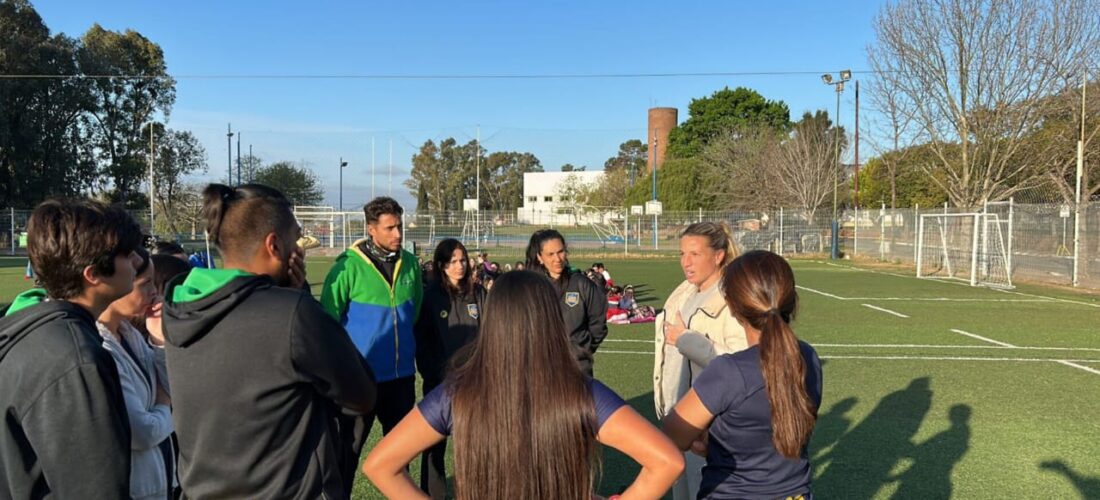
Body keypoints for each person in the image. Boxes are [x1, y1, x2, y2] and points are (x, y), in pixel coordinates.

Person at [363, 271, 684, 499]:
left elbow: (380, 466)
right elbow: (667, 461)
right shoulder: (581, 391)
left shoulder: (458, 392)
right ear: (551, 320)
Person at [163, 183, 376, 499]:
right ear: (274, 245)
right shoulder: (292, 313)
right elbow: (360, 394)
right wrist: (299, 297)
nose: (300, 249)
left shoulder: (181, 307)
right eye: (296, 239)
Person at [0, 199, 140, 499]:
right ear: (93, 275)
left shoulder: (31, 331)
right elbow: (96, 488)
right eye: (127, 255)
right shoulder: (77, 360)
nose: (137, 263)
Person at [663, 251, 822, 499]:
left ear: (734, 308)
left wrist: (706, 436)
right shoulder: (809, 359)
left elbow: (673, 435)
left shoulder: (729, 372)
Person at [321, 196, 423, 490]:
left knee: (400, 459)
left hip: (402, 379)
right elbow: (328, 321)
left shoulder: (411, 264)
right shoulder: (347, 268)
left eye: (400, 226)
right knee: (347, 454)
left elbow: (412, 313)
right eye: (390, 228)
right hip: (359, 381)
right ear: (371, 229)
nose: (398, 234)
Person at [654, 221, 747, 500]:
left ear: (718, 256)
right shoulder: (686, 291)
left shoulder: (734, 298)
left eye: (695, 254)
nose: (686, 262)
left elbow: (742, 365)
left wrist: (687, 340)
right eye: (682, 254)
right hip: (680, 418)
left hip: (707, 426)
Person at [96, 248, 175, 500]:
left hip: (161, 483)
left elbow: (173, 387)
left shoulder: (129, 334)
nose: (155, 292)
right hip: (133, 489)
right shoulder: (99, 346)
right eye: (146, 283)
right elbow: (142, 432)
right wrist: (165, 404)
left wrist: (159, 339)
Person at [413, 238, 486, 499]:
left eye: (463, 260)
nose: (460, 266)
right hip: (440, 385)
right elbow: (422, 342)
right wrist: (435, 375)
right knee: (433, 446)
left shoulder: (478, 293)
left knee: (475, 446)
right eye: (453, 261)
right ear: (441, 265)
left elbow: (490, 336)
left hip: (475, 385)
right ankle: (432, 493)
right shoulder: (431, 298)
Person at [525, 229, 607, 376]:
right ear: (539, 257)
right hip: (539, 369)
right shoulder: (530, 287)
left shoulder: (581, 283)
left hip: (577, 368)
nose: (558, 258)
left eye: (561, 252)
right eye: (550, 254)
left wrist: (581, 350)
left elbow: (598, 323)